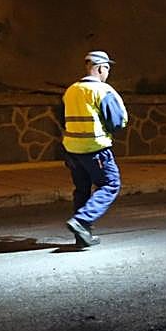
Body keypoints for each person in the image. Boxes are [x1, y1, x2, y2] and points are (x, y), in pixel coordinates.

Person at [59, 51, 128, 247]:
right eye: (107, 68)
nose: (107, 72)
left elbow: (61, 118)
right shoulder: (102, 91)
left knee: (82, 190)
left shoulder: (71, 90)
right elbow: (116, 122)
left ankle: (83, 236)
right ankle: (81, 221)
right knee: (110, 184)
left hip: (72, 149)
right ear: (100, 68)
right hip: (96, 148)